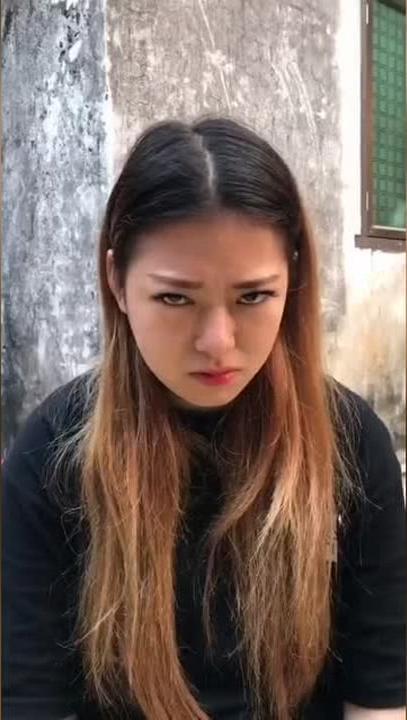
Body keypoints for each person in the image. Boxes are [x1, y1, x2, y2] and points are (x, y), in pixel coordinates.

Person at [3, 117, 405, 720]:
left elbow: (381, 693)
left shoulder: (351, 442)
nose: (218, 343)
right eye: (174, 298)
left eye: (253, 296)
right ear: (117, 281)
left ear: (293, 280)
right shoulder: (51, 454)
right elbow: (30, 696)